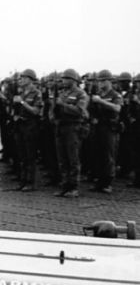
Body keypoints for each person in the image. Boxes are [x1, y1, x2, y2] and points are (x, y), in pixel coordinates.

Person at [52, 69, 89, 198]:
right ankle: (65, 185)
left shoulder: (81, 94)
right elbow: (54, 109)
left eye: (66, 78)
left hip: (73, 128)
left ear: (73, 80)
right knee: (62, 159)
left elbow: (80, 110)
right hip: (61, 127)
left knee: (73, 159)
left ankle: (73, 187)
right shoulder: (62, 93)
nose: (63, 81)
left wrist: (63, 105)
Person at [88, 69, 122, 193]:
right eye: (99, 81)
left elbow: (117, 108)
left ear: (110, 81)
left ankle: (108, 183)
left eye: (103, 81)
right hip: (98, 127)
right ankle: (99, 181)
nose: (101, 83)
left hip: (109, 128)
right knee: (97, 154)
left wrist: (100, 101)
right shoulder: (99, 94)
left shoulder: (115, 95)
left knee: (109, 156)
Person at [12, 69, 42, 191]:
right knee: (22, 154)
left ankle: (30, 182)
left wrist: (22, 102)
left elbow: (36, 111)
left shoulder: (36, 93)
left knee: (30, 155)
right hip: (20, 125)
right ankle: (23, 180)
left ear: (30, 79)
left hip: (30, 125)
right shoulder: (21, 92)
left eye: (23, 78)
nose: (21, 80)